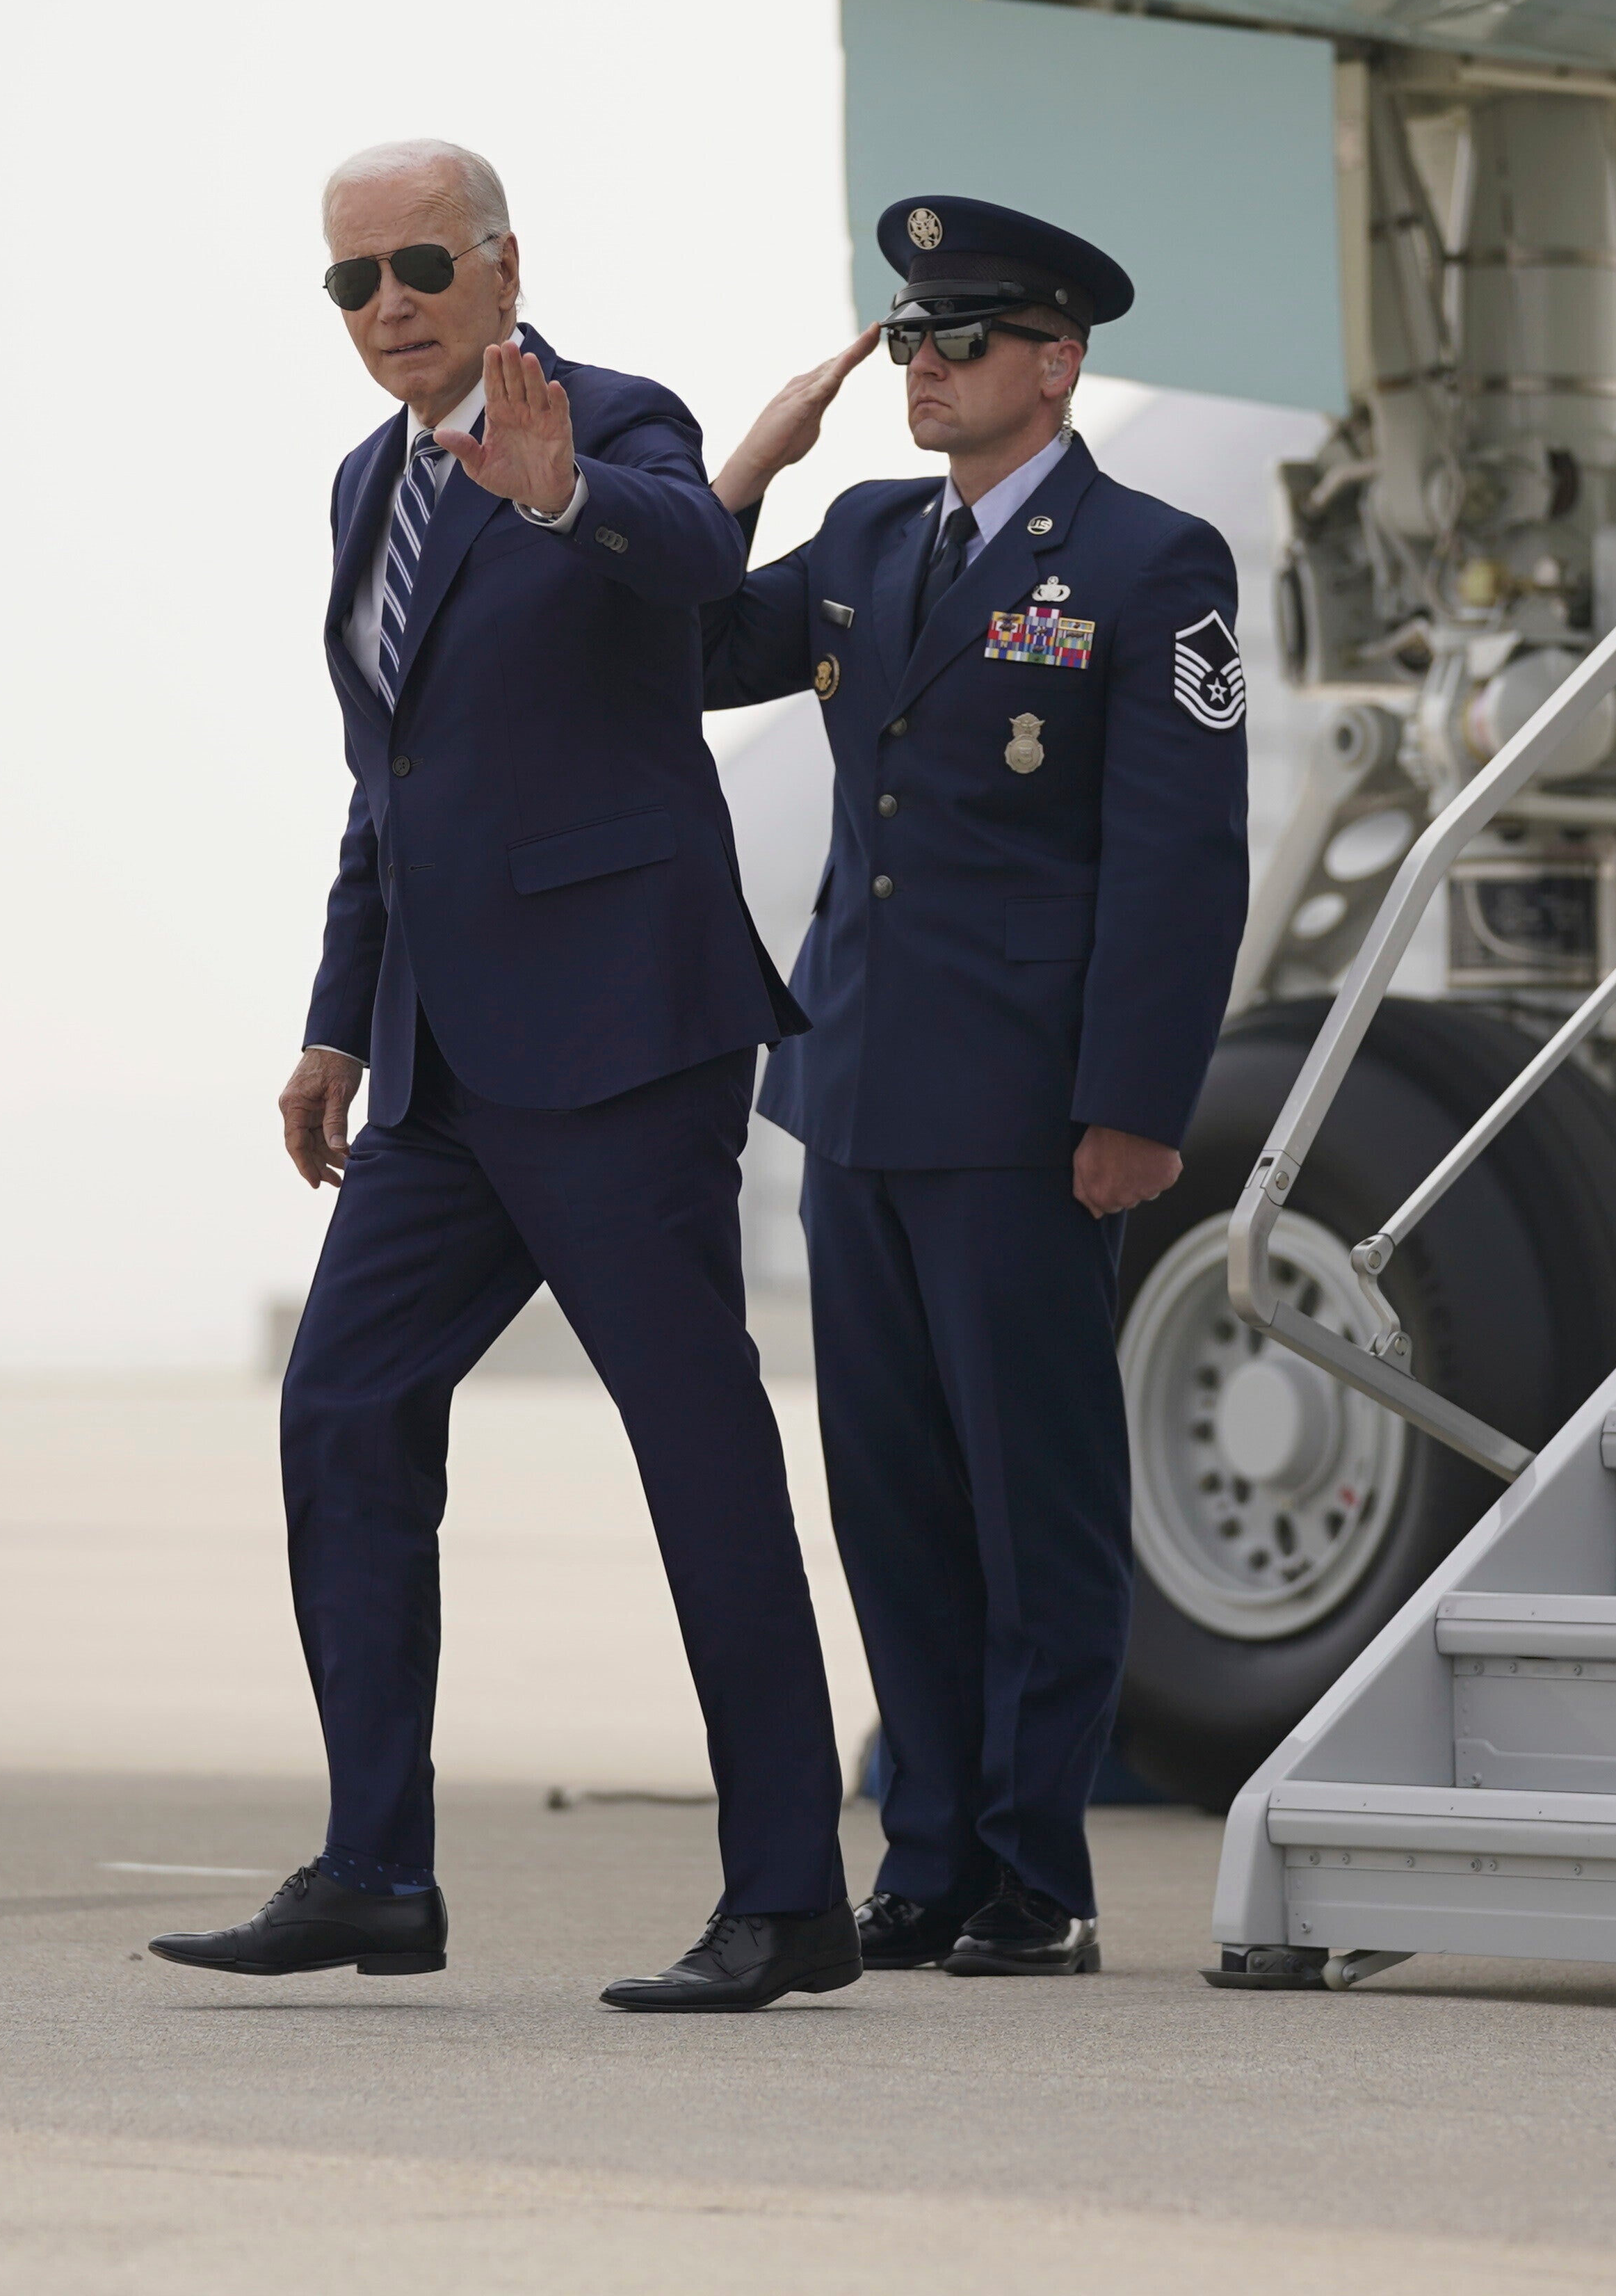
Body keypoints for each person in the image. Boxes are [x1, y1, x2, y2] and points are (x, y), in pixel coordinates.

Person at [147, 138, 858, 2016]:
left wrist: (561, 503)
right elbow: (393, 789)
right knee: (343, 1409)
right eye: (353, 281)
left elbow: (704, 573)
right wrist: (333, 1016)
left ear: (501, 267)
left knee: (695, 1451)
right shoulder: (359, 487)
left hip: (624, 1039)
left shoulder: (609, 423)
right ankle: (378, 1866)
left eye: (419, 270)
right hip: (439, 1071)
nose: (388, 307)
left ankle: (788, 1898)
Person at [702, 198, 1252, 1979]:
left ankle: (1034, 1872)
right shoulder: (868, 531)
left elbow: (1182, 863)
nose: (922, 371)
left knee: (1037, 1499)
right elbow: (699, 656)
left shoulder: (1153, 563)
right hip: (854, 1090)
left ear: (1057, 360)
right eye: (910, 340)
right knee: (894, 1503)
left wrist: (1135, 1106)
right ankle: (924, 1853)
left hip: (1026, 1114)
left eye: (963, 343)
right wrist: (743, 477)